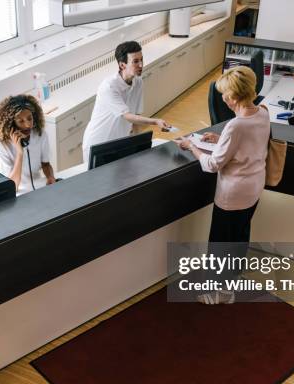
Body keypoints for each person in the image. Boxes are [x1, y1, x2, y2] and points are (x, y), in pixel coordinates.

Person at [174, 66, 270, 304]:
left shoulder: (236, 125)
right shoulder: (262, 113)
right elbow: (248, 144)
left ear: (235, 97)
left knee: (220, 245)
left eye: (225, 94)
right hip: (255, 187)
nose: (223, 98)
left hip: (233, 194)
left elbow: (212, 165)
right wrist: (220, 140)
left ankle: (220, 293)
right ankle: (232, 281)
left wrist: (191, 146)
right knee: (239, 237)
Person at [82, 41, 171, 163]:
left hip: (119, 143)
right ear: (122, 65)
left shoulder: (138, 82)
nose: (141, 65)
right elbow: (128, 116)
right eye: (135, 61)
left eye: (141, 60)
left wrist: (139, 145)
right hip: (98, 145)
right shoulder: (109, 86)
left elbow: (136, 117)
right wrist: (155, 121)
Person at [0, 94, 56, 195]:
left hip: (40, 187)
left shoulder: (40, 134)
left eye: (30, 118)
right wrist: (20, 153)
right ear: (11, 124)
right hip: (18, 194)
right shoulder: (1, 144)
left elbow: (46, 165)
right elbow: (12, 187)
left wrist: (50, 177)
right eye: (21, 121)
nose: (28, 124)